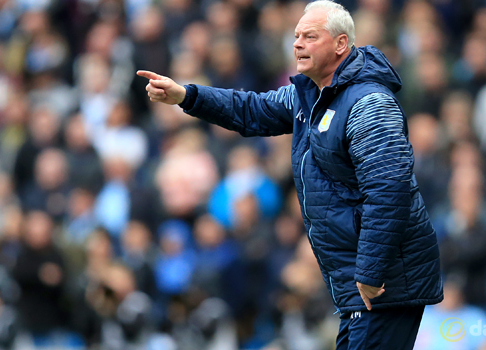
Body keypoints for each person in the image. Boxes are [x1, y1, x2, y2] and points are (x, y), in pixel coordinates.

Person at [137, 1, 443, 348]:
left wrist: (371, 272)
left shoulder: (368, 103)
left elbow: (389, 191)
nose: (296, 43)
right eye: (296, 35)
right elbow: (250, 108)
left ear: (341, 44)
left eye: (310, 36)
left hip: (386, 281)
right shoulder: (308, 96)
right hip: (360, 284)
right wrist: (187, 95)